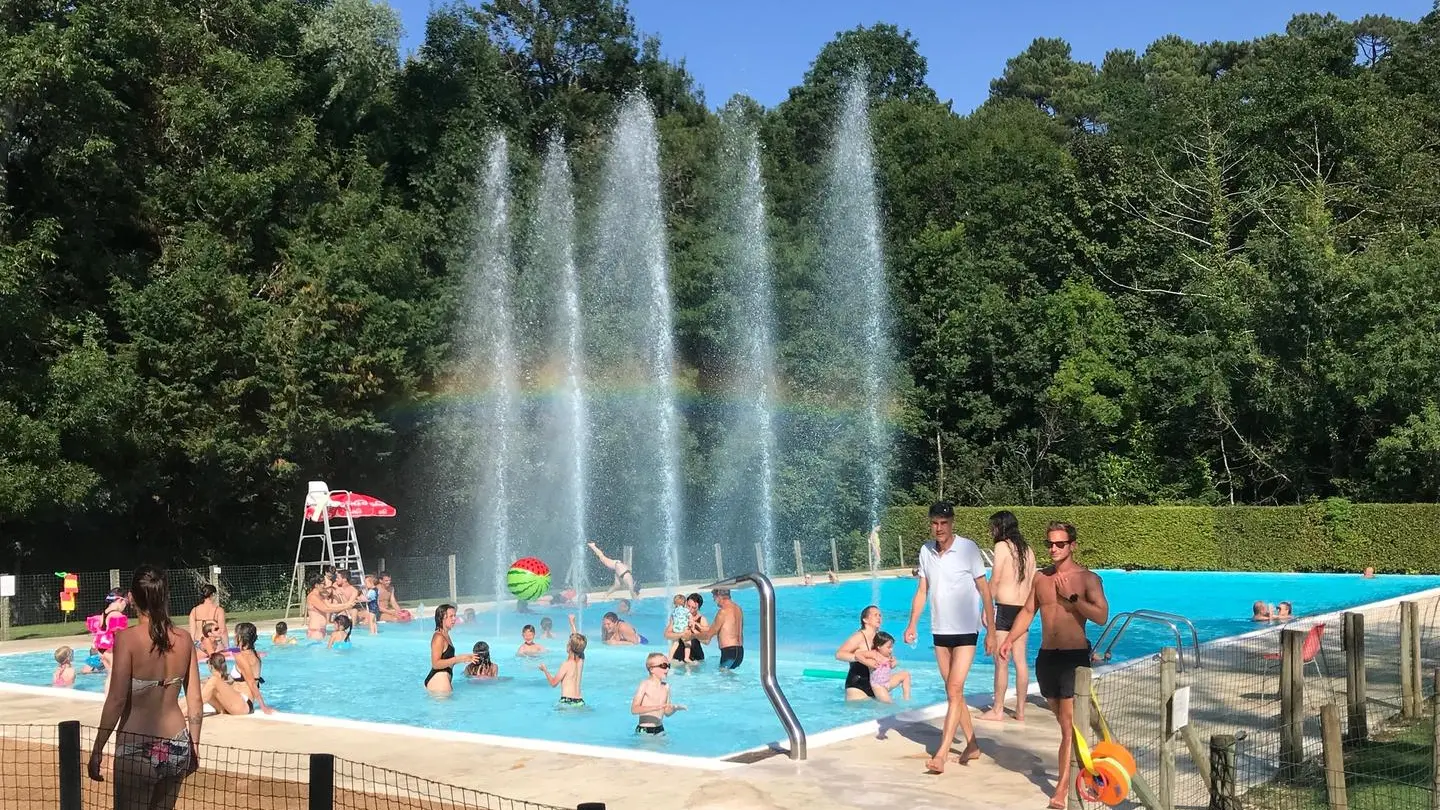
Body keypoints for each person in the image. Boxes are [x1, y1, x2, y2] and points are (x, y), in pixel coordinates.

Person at [998, 521, 1110, 810]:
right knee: (1065, 724)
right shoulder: (1040, 579)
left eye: (1060, 544)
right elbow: (1027, 611)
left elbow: (1101, 616)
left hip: (1074, 659)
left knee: (1067, 726)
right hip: (1047, 659)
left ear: (1072, 545)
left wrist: (1073, 601)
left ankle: (1061, 787)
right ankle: (1089, 761)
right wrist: (1009, 639)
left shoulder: (1088, 579)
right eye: (1050, 543)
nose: (1054, 549)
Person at [88, 565, 203, 809]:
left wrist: (98, 747)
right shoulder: (184, 639)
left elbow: (116, 700)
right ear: (165, 596)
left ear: (131, 598)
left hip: (136, 746)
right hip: (177, 743)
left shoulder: (127, 639)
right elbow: (195, 702)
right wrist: (194, 745)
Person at [903, 501, 994, 773]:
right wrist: (912, 624)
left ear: (952, 523)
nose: (939, 528)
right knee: (954, 691)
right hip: (939, 630)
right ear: (930, 523)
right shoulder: (926, 551)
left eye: (943, 523)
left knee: (954, 689)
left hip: (966, 630)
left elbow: (984, 589)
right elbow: (922, 590)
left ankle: (941, 753)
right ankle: (973, 745)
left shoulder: (968, 548)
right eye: (934, 523)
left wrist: (990, 626)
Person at [981, 510, 1038, 722]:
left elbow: (995, 581)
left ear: (1001, 527)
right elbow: (1033, 583)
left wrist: (985, 609)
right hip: (1023, 610)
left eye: (993, 526)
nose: (991, 531)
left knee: (1001, 661)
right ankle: (1020, 711)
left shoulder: (1002, 546)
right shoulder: (1029, 550)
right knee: (1020, 661)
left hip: (1004, 608)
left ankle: (997, 710)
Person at [425, 604, 476, 694]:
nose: (454, 619)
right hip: (439, 680)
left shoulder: (445, 635)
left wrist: (465, 658)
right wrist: (458, 659)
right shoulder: (438, 637)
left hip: (442, 679)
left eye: (455, 616)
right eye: (451, 616)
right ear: (442, 618)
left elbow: (447, 659)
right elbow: (435, 664)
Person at [835, 605, 882, 701]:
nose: (879, 618)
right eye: (875, 615)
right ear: (865, 620)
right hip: (857, 685)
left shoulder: (880, 638)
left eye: (880, 615)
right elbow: (839, 654)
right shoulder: (859, 636)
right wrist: (860, 658)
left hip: (874, 684)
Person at [632, 652, 685, 735]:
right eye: (663, 666)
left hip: (660, 729)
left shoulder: (666, 686)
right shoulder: (645, 684)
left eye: (668, 666)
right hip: (645, 730)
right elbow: (634, 709)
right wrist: (657, 707)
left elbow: (667, 712)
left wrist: (675, 708)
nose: (667, 669)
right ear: (652, 669)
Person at [539, 617, 586, 707]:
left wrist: (544, 670)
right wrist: (572, 623)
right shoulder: (581, 661)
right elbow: (577, 641)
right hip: (580, 702)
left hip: (567, 702)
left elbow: (553, 683)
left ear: (569, 647)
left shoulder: (566, 664)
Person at [231, 622, 275, 714]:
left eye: (236, 634)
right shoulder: (253, 654)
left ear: (241, 637)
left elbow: (252, 683)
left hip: (243, 703)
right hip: (238, 700)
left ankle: (194, 706)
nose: (234, 637)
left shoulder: (243, 657)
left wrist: (263, 707)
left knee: (214, 681)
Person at [697, 588, 744, 669]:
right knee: (731, 679)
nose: (714, 600)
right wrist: (699, 627)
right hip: (739, 651)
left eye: (714, 597)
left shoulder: (723, 612)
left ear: (719, 595)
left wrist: (692, 636)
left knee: (724, 679)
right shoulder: (738, 608)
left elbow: (709, 635)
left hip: (729, 652)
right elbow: (723, 628)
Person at [866, 631, 912, 703]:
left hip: (888, 682)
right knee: (891, 705)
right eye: (889, 647)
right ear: (879, 646)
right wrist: (867, 662)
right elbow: (858, 655)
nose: (891, 649)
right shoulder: (874, 654)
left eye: (892, 647)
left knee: (906, 674)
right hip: (878, 686)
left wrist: (894, 662)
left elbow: (892, 665)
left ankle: (907, 699)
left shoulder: (888, 655)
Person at [667, 593, 706, 663]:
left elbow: (706, 641)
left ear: (699, 608)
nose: (690, 609)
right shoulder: (677, 618)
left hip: (696, 659)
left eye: (693, 608)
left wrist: (694, 630)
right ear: (685, 604)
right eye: (688, 606)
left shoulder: (701, 620)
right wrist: (681, 634)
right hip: (678, 659)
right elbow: (667, 635)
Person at [187, 584, 228, 651]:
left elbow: (192, 633)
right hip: (214, 644)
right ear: (213, 595)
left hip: (199, 644)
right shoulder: (219, 610)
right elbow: (223, 631)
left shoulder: (194, 610)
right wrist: (226, 647)